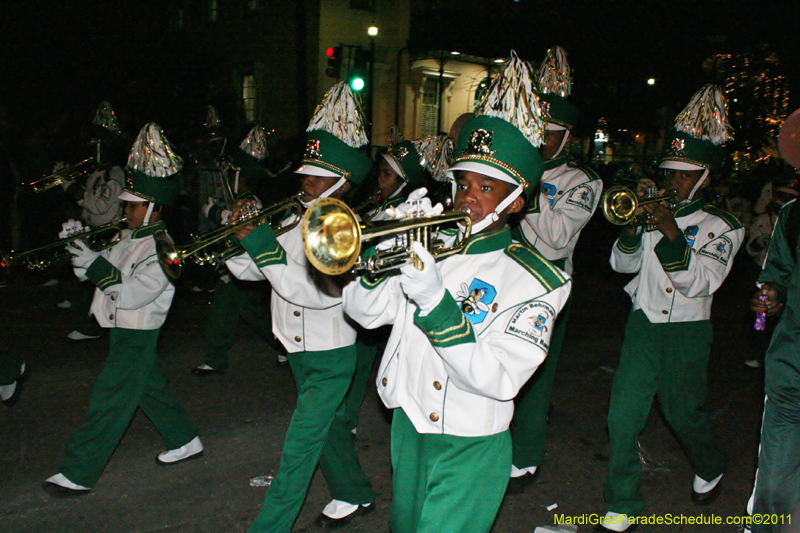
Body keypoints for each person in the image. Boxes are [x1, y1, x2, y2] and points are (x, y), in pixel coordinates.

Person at [343, 52, 571, 533]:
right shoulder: (434, 247)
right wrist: (384, 253)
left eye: (486, 188)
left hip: (469, 441)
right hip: (406, 426)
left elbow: (500, 378)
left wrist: (434, 302)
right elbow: (363, 315)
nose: (467, 197)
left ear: (515, 202)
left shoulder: (537, 280)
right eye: (463, 183)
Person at [225, 82, 375, 532]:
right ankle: (355, 491)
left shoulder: (345, 228)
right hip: (296, 348)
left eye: (317, 174)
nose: (304, 180)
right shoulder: (296, 216)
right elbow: (254, 274)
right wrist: (240, 243)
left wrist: (261, 245)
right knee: (326, 432)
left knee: (299, 447)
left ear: (343, 180)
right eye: (305, 172)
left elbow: (316, 292)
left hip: (330, 354)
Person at [597, 85, 744, 532]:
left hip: (686, 331)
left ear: (704, 178)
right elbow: (620, 266)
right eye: (670, 173)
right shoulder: (653, 212)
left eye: (683, 175)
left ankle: (711, 461)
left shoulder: (725, 226)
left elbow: (700, 282)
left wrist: (668, 231)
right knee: (621, 418)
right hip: (643, 325)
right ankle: (623, 502)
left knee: (684, 413)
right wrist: (632, 227)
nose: (672, 182)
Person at [43, 123, 203, 497]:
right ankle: (184, 439)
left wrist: (96, 265)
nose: (124, 210)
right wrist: (79, 249)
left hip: (137, 331)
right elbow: (97, 275)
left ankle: (78, 471)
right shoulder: (128, 236)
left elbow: (132, 294)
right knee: (149, 389)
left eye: (131, 206)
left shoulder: (163, 248)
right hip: (120, 328)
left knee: (109, 399)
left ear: (152, 208)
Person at [509, 45, 603, 490]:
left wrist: (526, 191)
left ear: (567, 137)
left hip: (548, 285)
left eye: (550, 134)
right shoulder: (522, 168)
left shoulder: (581, 180)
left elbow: (557, 236)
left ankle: (526, 457)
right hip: (507, 275)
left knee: (536, 375)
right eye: (538, 131)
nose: (541, 140)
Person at [191, 125, 285, 376]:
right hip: (236, 259)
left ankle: (217, 357)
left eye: (237, 172)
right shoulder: (244, 193)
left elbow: (244, 224)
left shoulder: (253, 198)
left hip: (247, 259)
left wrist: (217, 213)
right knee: (242, 310)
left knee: (236, 310)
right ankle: (218, 356)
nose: (233, 175)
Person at [745, 174, 800, 532]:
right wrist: (771, 297)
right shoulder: (794, 216)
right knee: (774, 482)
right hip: (791, 369)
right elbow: (778, 274)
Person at [60, 101, 128, 342]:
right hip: (93, 230)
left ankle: (92, 326)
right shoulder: (96, 172)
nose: (90, 149)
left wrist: (69, 187)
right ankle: (89, 320)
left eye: (95, 145)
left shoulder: (115, 173)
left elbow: (99, 205)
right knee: (84, 277)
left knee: (99, 280)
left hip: (108, 232)